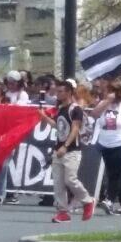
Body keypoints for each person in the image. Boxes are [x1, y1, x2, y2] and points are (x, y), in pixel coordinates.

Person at [39, 79, 94, 223]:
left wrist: (66, 145)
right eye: (57, 91)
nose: (57, 94)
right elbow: (58, 126)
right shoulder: (60, 108)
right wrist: (45, 117)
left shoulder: (75, 109)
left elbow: (75, 129)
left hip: (72, 150)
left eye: (61, 91)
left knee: (70, 179)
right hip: (58, 149)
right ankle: (62, 211)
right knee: (58, 183)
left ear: (69, 92)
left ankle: (87, 201)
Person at [89, 83, 121, 215]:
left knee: (115, 171)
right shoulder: (104, 104)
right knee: (116, 172)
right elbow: (94, 114)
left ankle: (110, 199)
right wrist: (107, 101)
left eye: (109, 91)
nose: (106, 93)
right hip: (105, 143)